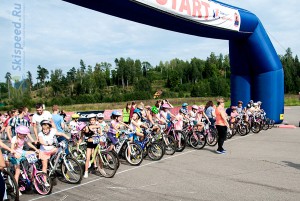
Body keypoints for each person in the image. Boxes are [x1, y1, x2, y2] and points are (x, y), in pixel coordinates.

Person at [10, 125, 39, 195]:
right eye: (24, 135)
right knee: (17, 172)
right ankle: (16, 189)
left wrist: (35, 149)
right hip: (15, 155)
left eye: (26, 134)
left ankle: (31, 171)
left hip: (21, 152)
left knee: (33, 153)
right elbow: (11, 150)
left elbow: (29, 144)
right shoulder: (14, 139)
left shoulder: (24, 138)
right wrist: (15, 154)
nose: (25, 136)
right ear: (19, 134)